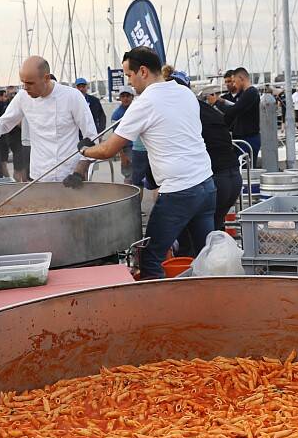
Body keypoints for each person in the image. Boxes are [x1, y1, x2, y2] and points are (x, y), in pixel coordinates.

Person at [80, 48, 214, 279]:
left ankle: (158, 312)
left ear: (142, 71)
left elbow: (109, 149)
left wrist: (83, 149)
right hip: (206, 185)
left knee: (151, 257)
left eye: (129, 75)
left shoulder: (145, 103)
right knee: (206, 254)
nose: (129, 82)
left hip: (179, 192)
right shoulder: (185, 93)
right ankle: (209, 303)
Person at [0, 56, 96, 185]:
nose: (25, 87)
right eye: (23, 82)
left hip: (70, 173)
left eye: (30, 83)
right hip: (39, 175)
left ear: (46, 78)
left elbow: (91, 137)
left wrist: (79, 171)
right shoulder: (23, 97)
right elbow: (5, 122)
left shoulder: (72, 96)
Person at [171, 70, 241, 236]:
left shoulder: (184, 113)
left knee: (195, 238)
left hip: (215, 180)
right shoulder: (207, 109)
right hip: (233, 178)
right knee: (214, 233)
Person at [210, 66, 261, 165]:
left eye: (234, 81)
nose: (234, 84)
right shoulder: (248, 93)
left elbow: (234, 110)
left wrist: (216, 103)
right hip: (242, 138)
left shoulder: (251, 92)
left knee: (246, 170)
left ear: (241, 78)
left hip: (248, 138)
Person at [110, 85, 135, 184]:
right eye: (123, 96)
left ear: (132, 97)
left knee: (139, 178)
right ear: (119, 98)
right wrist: (122, 156)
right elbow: (115, 137)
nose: (125, 98)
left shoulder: (137, 109)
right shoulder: (116, 115)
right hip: (127, 149)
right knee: (129, 176)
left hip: (140, 148)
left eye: (128, 96)